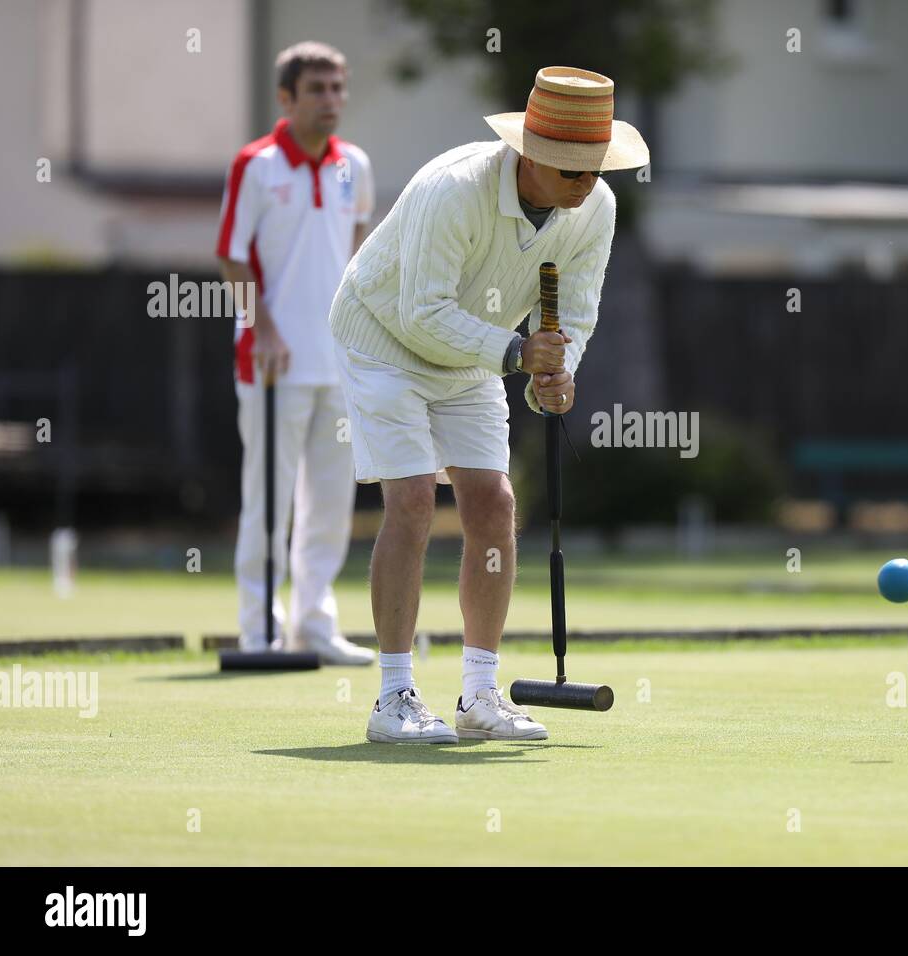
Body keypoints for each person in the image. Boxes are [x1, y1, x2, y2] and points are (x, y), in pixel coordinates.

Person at [329, 66, 649, 742]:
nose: (585, 183)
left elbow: (577, 316)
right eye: (571, 170)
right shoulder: (454, 191)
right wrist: (515, 355)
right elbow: (420, 314)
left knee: (495, 506)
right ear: (531, 154)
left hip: (474, 355)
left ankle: (480, 695)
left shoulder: (596, 208)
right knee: (413, 499)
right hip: (384, 340)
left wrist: (556, 375)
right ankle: (393, 698)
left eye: (595, 168)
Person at [216, 42, 375, 665]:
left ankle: (314, 623)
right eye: (317, 89)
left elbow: (357, 251)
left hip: (338, 364)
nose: (331, 100)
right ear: (286, 98)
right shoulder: (255, 166)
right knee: (268, 500)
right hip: (270, 362)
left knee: (331, 502)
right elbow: (232, 255)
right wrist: (266, 331)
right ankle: (259, 628)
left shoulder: (353, 166)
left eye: (338, 88)